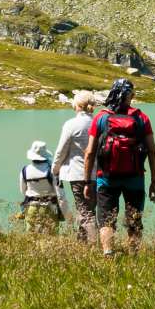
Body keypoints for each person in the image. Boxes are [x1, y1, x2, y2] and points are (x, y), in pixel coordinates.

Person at [84, 78, 155, 258]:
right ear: (129, 96)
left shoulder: (101, 118)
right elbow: (153, 151)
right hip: (135, 178)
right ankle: (134, 257)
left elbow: (89, 152)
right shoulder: (141, 118)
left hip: (106, 178)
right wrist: (154, 182)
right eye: (132, 94)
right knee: (134, 220)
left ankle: (108, 255)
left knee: (106, 220)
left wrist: (87, 181)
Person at [52, 92, 99, 242]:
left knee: (85, 212)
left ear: (77, 105)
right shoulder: (100, 123)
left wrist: (55, 169)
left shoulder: (71, 124)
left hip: (78, 174)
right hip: (99, 174)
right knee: (89, 209)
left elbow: (61, 150)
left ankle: (93, 246)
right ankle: (81, 243)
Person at [17, 141, 63, 234]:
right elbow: (59, 192)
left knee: (32, 237)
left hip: (31, 207)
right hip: (50, 207)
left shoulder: (25, 170)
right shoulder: (52, 170)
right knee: (51, 237)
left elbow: (23, 190)